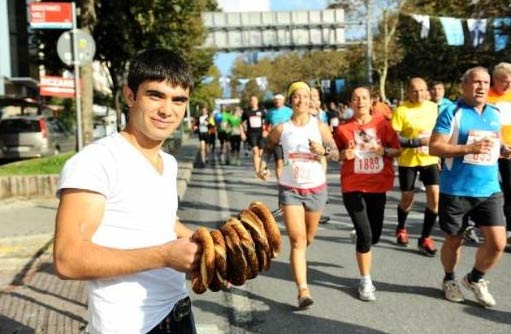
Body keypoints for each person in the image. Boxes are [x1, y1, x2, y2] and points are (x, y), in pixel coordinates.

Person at [53, 48, 200, 334]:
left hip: (179, 313)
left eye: (178, 100)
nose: (167, 110)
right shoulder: (95, 162)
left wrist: (204, 243)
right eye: (155, 95)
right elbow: (67, 259)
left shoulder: (167, 163)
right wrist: (165, 256)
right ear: (130, 96)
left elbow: (159, 219)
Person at [429, 66, 509, 308]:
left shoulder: (494, 112)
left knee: (498, 243)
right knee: (455, 240)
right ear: (464, 85)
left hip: (489, 188)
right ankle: (449, 279)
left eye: (485, 82)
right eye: (476, 82)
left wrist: (503, 149)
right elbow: (435, 147)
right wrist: (468, 149)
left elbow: (497, 141)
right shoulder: (451, 112)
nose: (482, 87)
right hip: (457, 190)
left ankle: (475, 278)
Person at [256, 81, 339, 309]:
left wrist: (323, 150)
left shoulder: (319, 126)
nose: (301, 100)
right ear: (291, 100)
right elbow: (269, 146)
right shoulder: (283, 128)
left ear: (310, 100)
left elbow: (335, 152)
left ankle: (299, 262)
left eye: (305, 96)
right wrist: (262, 165)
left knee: (308, 238)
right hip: (290, 188)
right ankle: (303, 290)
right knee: (297, 240)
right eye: (296, 96)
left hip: (315, 188)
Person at [334, 86, 400, 301]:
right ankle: (366, 280)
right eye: (355, 98)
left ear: (371, 101)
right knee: (366, 236)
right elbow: (334, 154)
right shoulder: (343, 129)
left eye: (364, 98)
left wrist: (385, 151)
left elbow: (397, 150)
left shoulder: (383, 124)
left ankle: (363, 233)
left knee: (375, 236)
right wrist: (344, 153)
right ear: (351, 103)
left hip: (377, 185)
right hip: (353, 186)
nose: (360, 101)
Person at [391, 77, 440, 256]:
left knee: (435, 198)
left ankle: (425, 237)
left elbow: (441, 132)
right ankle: (401, 227)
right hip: (408, 161)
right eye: (414, 90)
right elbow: (394, 138)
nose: (418, 93)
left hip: (430, 159)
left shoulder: (434, 107)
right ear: (408, 92)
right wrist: (417, 141)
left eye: (421, 90)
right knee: (407, 198)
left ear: (427, 91)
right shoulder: (401, 110)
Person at [487, 62, 511, 249]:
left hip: (509, 152)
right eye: (504, 81)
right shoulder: (487, 96)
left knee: (510, 190)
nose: (508, 85)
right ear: (495, 80)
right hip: (489, 149)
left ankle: (509, 229)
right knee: (488, 189)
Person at [242, 95, 266, 173]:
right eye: (252, 100)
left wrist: (266, 131)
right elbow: (241, 123)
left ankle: (260, 167)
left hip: (261, 134)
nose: (253, 102)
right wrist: (242, 133)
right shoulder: (246, 112)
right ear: (250, 102)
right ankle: (257, 170)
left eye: (255, 100)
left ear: (257, 101)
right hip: (251, 134)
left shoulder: (262, 111)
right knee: (255, 151)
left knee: (261, 152)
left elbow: (267, 122)